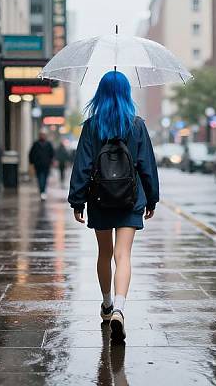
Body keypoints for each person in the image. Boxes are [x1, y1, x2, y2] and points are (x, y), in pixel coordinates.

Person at [68, 71, 159, 341]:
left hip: (99, 198)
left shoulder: (92, 126)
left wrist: (77, 200)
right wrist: (151, 198)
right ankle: (120, 307)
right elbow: (146, 165)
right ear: (127, 93)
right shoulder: (137, 125)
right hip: (130, 198)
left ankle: (107, 304)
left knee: (104, 253)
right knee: (124, 255)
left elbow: (82, 165)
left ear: (101, 94)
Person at [29, 129, 54, 200]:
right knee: (40, 178)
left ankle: (43, 191)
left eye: (44, 135)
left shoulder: (48, 144)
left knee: (44, 179)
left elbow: (52, 154)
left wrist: (51, 161)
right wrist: (32, 163)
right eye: (41, 135)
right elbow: (31, 154)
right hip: (38, 165)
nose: (42, 136)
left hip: (46, 165)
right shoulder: (36, 144)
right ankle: (42, 191)